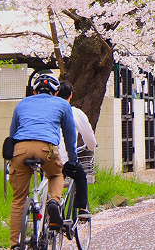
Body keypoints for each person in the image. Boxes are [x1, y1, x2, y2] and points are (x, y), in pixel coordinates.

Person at [8, 72, 78, 249]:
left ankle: (15, 244)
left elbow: (12, 133)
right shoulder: (62, 104)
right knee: (55, 175)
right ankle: (53, 200)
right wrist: (73, 160)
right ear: (55, 92)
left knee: (18, 199)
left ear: (34, 91)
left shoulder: (22, 103)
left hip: (20, 149)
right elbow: (70, 136)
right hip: (48, 148)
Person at [56, 80, 97, 220]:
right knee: (80, 176)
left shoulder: (49, 112)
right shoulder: (74, 112)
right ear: (71, 95)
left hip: (46, 154)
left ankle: (54, 202)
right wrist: (92, 147)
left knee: (51, 177)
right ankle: (82, 209)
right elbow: (88, 136)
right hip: (65, 157)